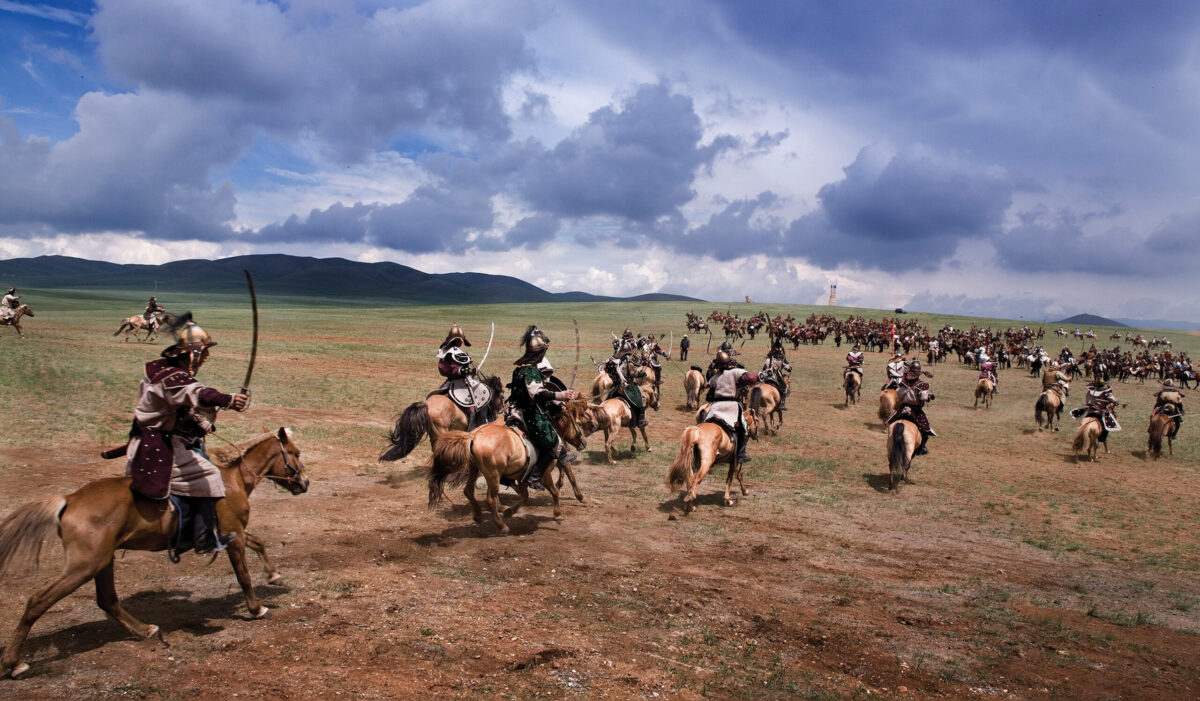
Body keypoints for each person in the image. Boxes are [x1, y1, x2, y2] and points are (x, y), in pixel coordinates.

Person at [124, 317, 248, 559]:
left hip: (158, 438)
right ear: (192, 353)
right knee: (209, 474)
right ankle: (203, 538)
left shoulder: (167, 374)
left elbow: (181, 408)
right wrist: (229, 400)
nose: (206, 358)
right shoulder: (173, 378)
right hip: (159, 444)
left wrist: (201, 424)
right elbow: (199, 394)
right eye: (203, 353)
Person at [506, 326, 577, 490]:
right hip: (530, 415)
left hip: (515, 411)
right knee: (554, 442)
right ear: (539, 353)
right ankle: (535, 476)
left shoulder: (519, 370)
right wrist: (561, 395)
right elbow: (537, 394)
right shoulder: (531, 371)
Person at [701, 349, 760, 464]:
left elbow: (706, 385)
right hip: (730, 407)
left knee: (704, 424)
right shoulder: (736, 372)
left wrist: (702, 385)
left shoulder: (714, 377)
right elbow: (750, 378)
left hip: (715, 407)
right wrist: (762, 374)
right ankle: (740, 455)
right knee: (743, 428)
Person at [434, 324, 494, 430]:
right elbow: (456, 369)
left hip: (448, 382)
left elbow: (449, 369)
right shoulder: (454, 352)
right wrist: (471, 371)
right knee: (484, 392)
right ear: (459, 340)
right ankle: (481, 422)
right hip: (460, 382)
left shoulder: (446, 350)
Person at [888, 361, 936, 455]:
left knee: (891, 422)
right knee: (926, 428)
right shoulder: (921, 384)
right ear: (918, 372)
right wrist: (930, 397)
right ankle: (921, 448)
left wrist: (923, 372)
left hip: (901, 408)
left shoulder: (903, 380)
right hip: (915, 410)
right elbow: (923, 397)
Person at [603, 343, 647, 428]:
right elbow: (632, 373)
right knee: (642, 400)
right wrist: (640, 374)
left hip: (615, 387)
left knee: (607, 400)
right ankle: (640, 421)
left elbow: (606, 370)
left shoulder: (610, 360)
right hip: (627, 387)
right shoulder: (627, 361)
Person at [1079, 377, 1120, 443]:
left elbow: (1087, 400)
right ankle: (1102, 438)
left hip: (1090, 411)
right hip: (1099, 412)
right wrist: (1115, 402)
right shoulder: (1105, 392)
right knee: (1107, 424)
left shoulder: (1090, 391)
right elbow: (1111, 397)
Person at [761, 337, 792, 410]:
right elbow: (786, 367)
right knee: (784, 387)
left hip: (766, 373)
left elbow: (765, 365)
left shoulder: (769, 355)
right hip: (776, 374)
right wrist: (789, 368)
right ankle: (782, 404)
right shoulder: (782, 356)